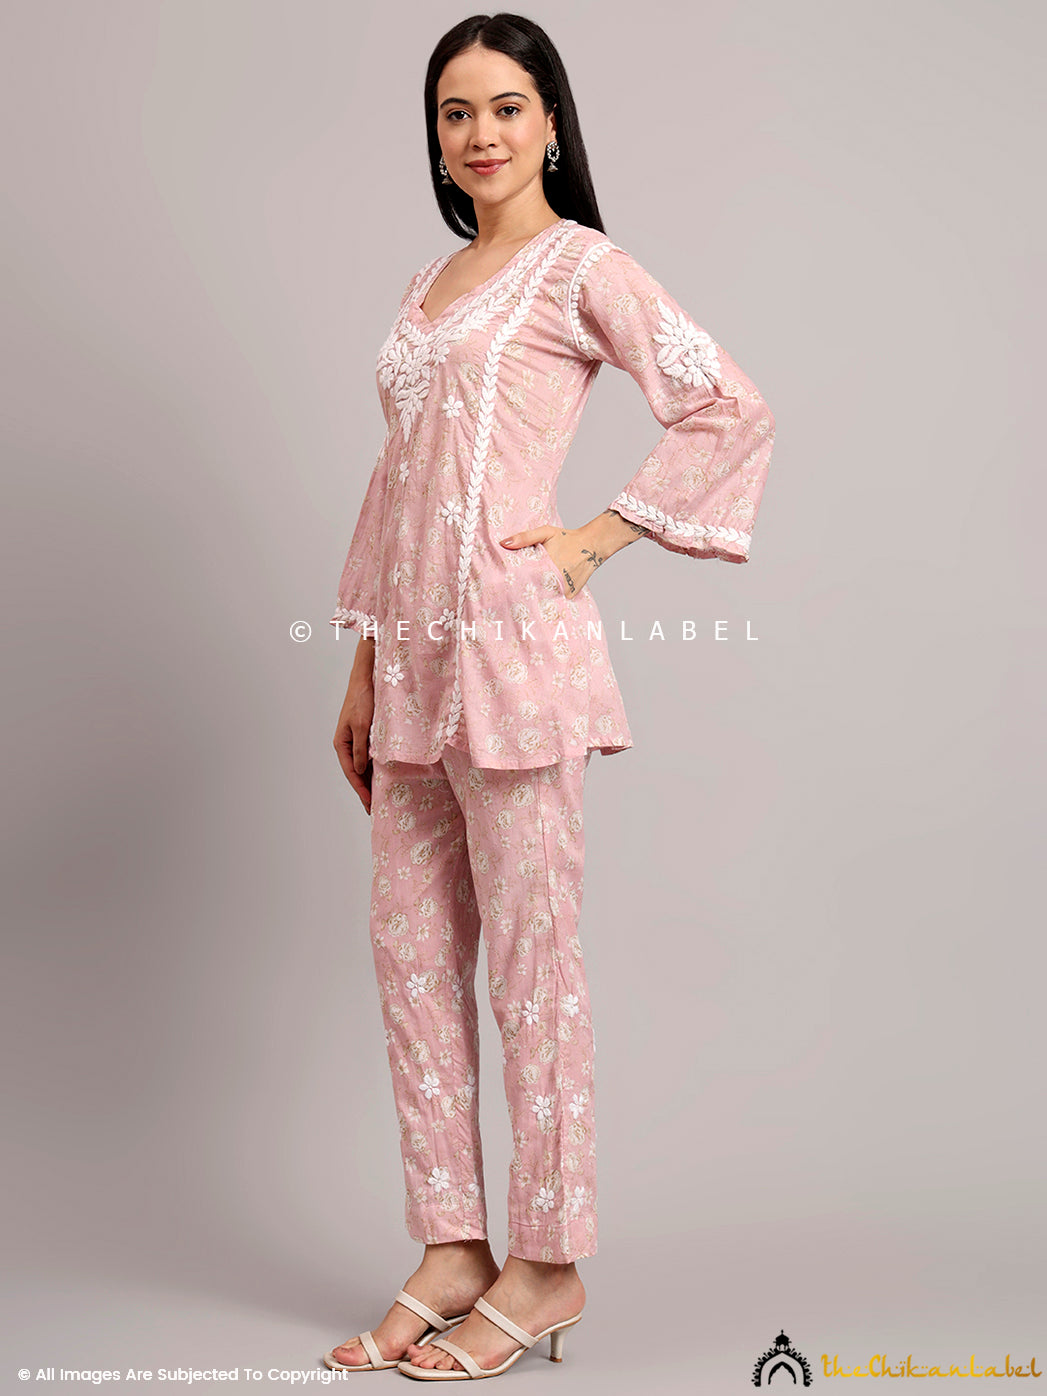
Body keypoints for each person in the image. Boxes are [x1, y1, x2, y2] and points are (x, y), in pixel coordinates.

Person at [325, 12, 775, 1381]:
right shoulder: (428, 282)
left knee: (532, 967)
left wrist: (593, 540)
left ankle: (551, 1259)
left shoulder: (584, 267)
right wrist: (361, 663)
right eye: (456, 111)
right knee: (411, 957)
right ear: (435, 136)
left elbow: (727, 407)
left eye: (507, 107)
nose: (482, 134)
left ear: (553, 123)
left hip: (517, 655)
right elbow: (398, 476)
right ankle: (453, 1244)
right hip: (413, 664)